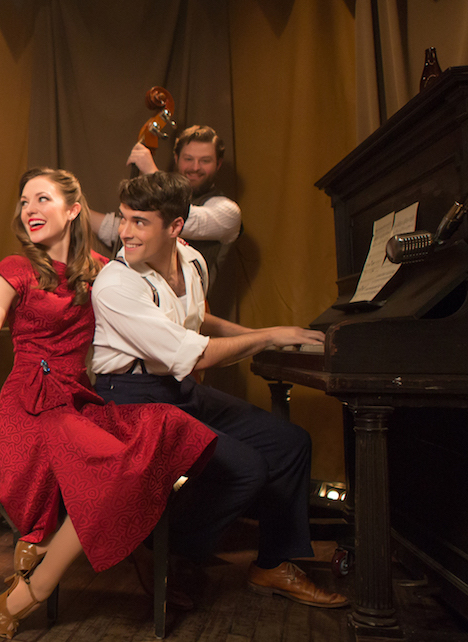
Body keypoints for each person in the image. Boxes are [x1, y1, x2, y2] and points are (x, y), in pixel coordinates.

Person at [0, 168, 216, 638]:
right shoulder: (15, 269)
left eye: (43, 199)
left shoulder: (104, 270)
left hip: (78, 397)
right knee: (100, 472)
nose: (30, 210)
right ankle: (47, 564)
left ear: (73, 210)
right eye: (25, 201)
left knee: (159, 432)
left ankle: (53, 571)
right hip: (30, 404)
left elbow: (157, 315)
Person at [90, 171, 349, 609]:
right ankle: (160, 548)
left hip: (177, 386)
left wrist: (263, 332)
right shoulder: (115, 283)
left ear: (175, 227)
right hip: (131, 400)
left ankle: (273, 563)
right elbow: (197, 354)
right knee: (245, 468)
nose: (125, 233)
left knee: (289, 442)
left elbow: (196, 323)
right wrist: (266, 337)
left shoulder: (192, 262)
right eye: (124, 219)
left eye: (140, 222)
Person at [90, 125, 241, 283]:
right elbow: (120, 228)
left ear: (218, 164)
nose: (195, 167)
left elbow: (187, 218)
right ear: (176, 158)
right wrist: (77, 209)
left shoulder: (228, 212)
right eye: (188, 159)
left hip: (192, 305)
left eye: (205, 161)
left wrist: (153, 173)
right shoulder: (159, 202)